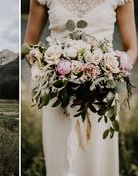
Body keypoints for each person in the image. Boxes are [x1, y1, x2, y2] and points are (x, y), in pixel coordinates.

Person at [23, 0, 137, 175]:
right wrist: (48, 68)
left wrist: (112, 68)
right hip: (58, 97)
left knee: (97, 163)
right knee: (60, 163)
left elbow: (132, 48)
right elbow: (28, 46)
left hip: (100, 99)